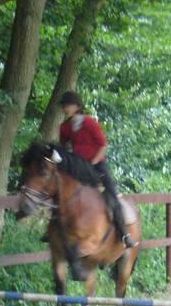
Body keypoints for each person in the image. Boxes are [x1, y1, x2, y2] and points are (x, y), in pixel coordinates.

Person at [58, 90, 137, 248]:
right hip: (78, 167)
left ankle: (124, 234)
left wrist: (93, 162)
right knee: (60, 192)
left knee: (111, 196)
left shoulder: (89, 122)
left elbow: (103, 144)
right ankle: (56, 229)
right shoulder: (65, 127)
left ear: (77, 106)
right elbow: (63, 146)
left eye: (68, 105)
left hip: (96, 165)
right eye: (64, 105)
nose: (65, 108)